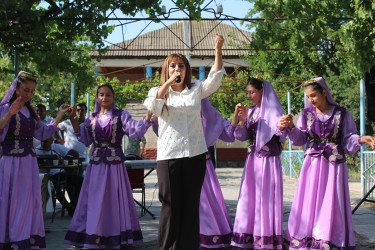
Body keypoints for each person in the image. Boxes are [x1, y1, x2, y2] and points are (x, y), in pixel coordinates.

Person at [144, 33, 225, 250]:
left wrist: (217, 49)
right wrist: (169, 83)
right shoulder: (158, 92)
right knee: (170, 206)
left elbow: (215, 77)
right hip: (169, 156)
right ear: (166, 69)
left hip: (195, 155)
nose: (177, 69)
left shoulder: (196, 89)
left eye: (181, 65)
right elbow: (154, 107)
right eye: (173, 66)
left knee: (190, 207)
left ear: (187, 69)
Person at [278, 77, 375, 250]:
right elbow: (300, 139)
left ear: (324, 92)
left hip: (334, 166)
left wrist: (361, 139)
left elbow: (347, 138)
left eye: (314, 95)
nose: (311, 100)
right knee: (309, 200)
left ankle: (330, 239)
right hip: (313, 164)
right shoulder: (306, 115)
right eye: (308, 97)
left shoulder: (341, 114)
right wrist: (292, 127)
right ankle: (308, 238)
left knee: (332, 201)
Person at [64, 83, 153, 249]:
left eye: (108, 95)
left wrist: (148, 116)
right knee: (95, 199)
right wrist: (72, 119)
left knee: (114, 199)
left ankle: (116, 234)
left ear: (113, 97)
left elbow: (135, 130)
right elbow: (84, 137)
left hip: (114, 166)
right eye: (101, 94)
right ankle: (93, 233)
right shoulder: (92, 118)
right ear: (97, 97)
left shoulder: (121, 115)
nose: (104, 98)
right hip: (96, 165)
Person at [152, 97, 236, 249]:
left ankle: (207, 237)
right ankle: (179, 239)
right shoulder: (175, 112)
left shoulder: (208, 114)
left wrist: (236, 118)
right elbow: (162, 133)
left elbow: (228, 133)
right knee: (178, 203)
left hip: (202, 166)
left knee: (201, 203)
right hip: (178, 163)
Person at [0, 71, 70, 250]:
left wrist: (59, 115)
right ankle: (12, 239)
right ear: (16, 89)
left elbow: (42, 132)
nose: (29, 94)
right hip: (11, 161)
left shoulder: (30, 112)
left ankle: (24, 238)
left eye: (32, 91)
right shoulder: (4, 108)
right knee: (12, 200)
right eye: (25, 90)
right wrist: (8, 114)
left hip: (29, 162)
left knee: (28, 201)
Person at [230, 76, 287, 249]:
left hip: (269, 161)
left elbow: (280, 132)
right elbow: (241, 136)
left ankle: (266, 236)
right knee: (250, 196)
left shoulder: (275, 111)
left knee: (266, 197)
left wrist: (283, 125)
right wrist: (241, 121)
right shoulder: (252, 112)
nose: (249, 95)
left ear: (262, 91)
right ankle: (248, 235)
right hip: (253, 160)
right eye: (247, 92)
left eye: (252, 92)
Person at [36, 137, 83, 216]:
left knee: (79, 179)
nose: (44, 144)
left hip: (58, 173)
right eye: (42, 142)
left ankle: (75, 204)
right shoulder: (37, 151)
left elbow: (74, 153)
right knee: (54, 186)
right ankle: (68, 207)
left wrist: (76, 168)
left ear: (51, 141)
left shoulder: (56, 147)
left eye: (46, 141)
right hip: (45, 176)